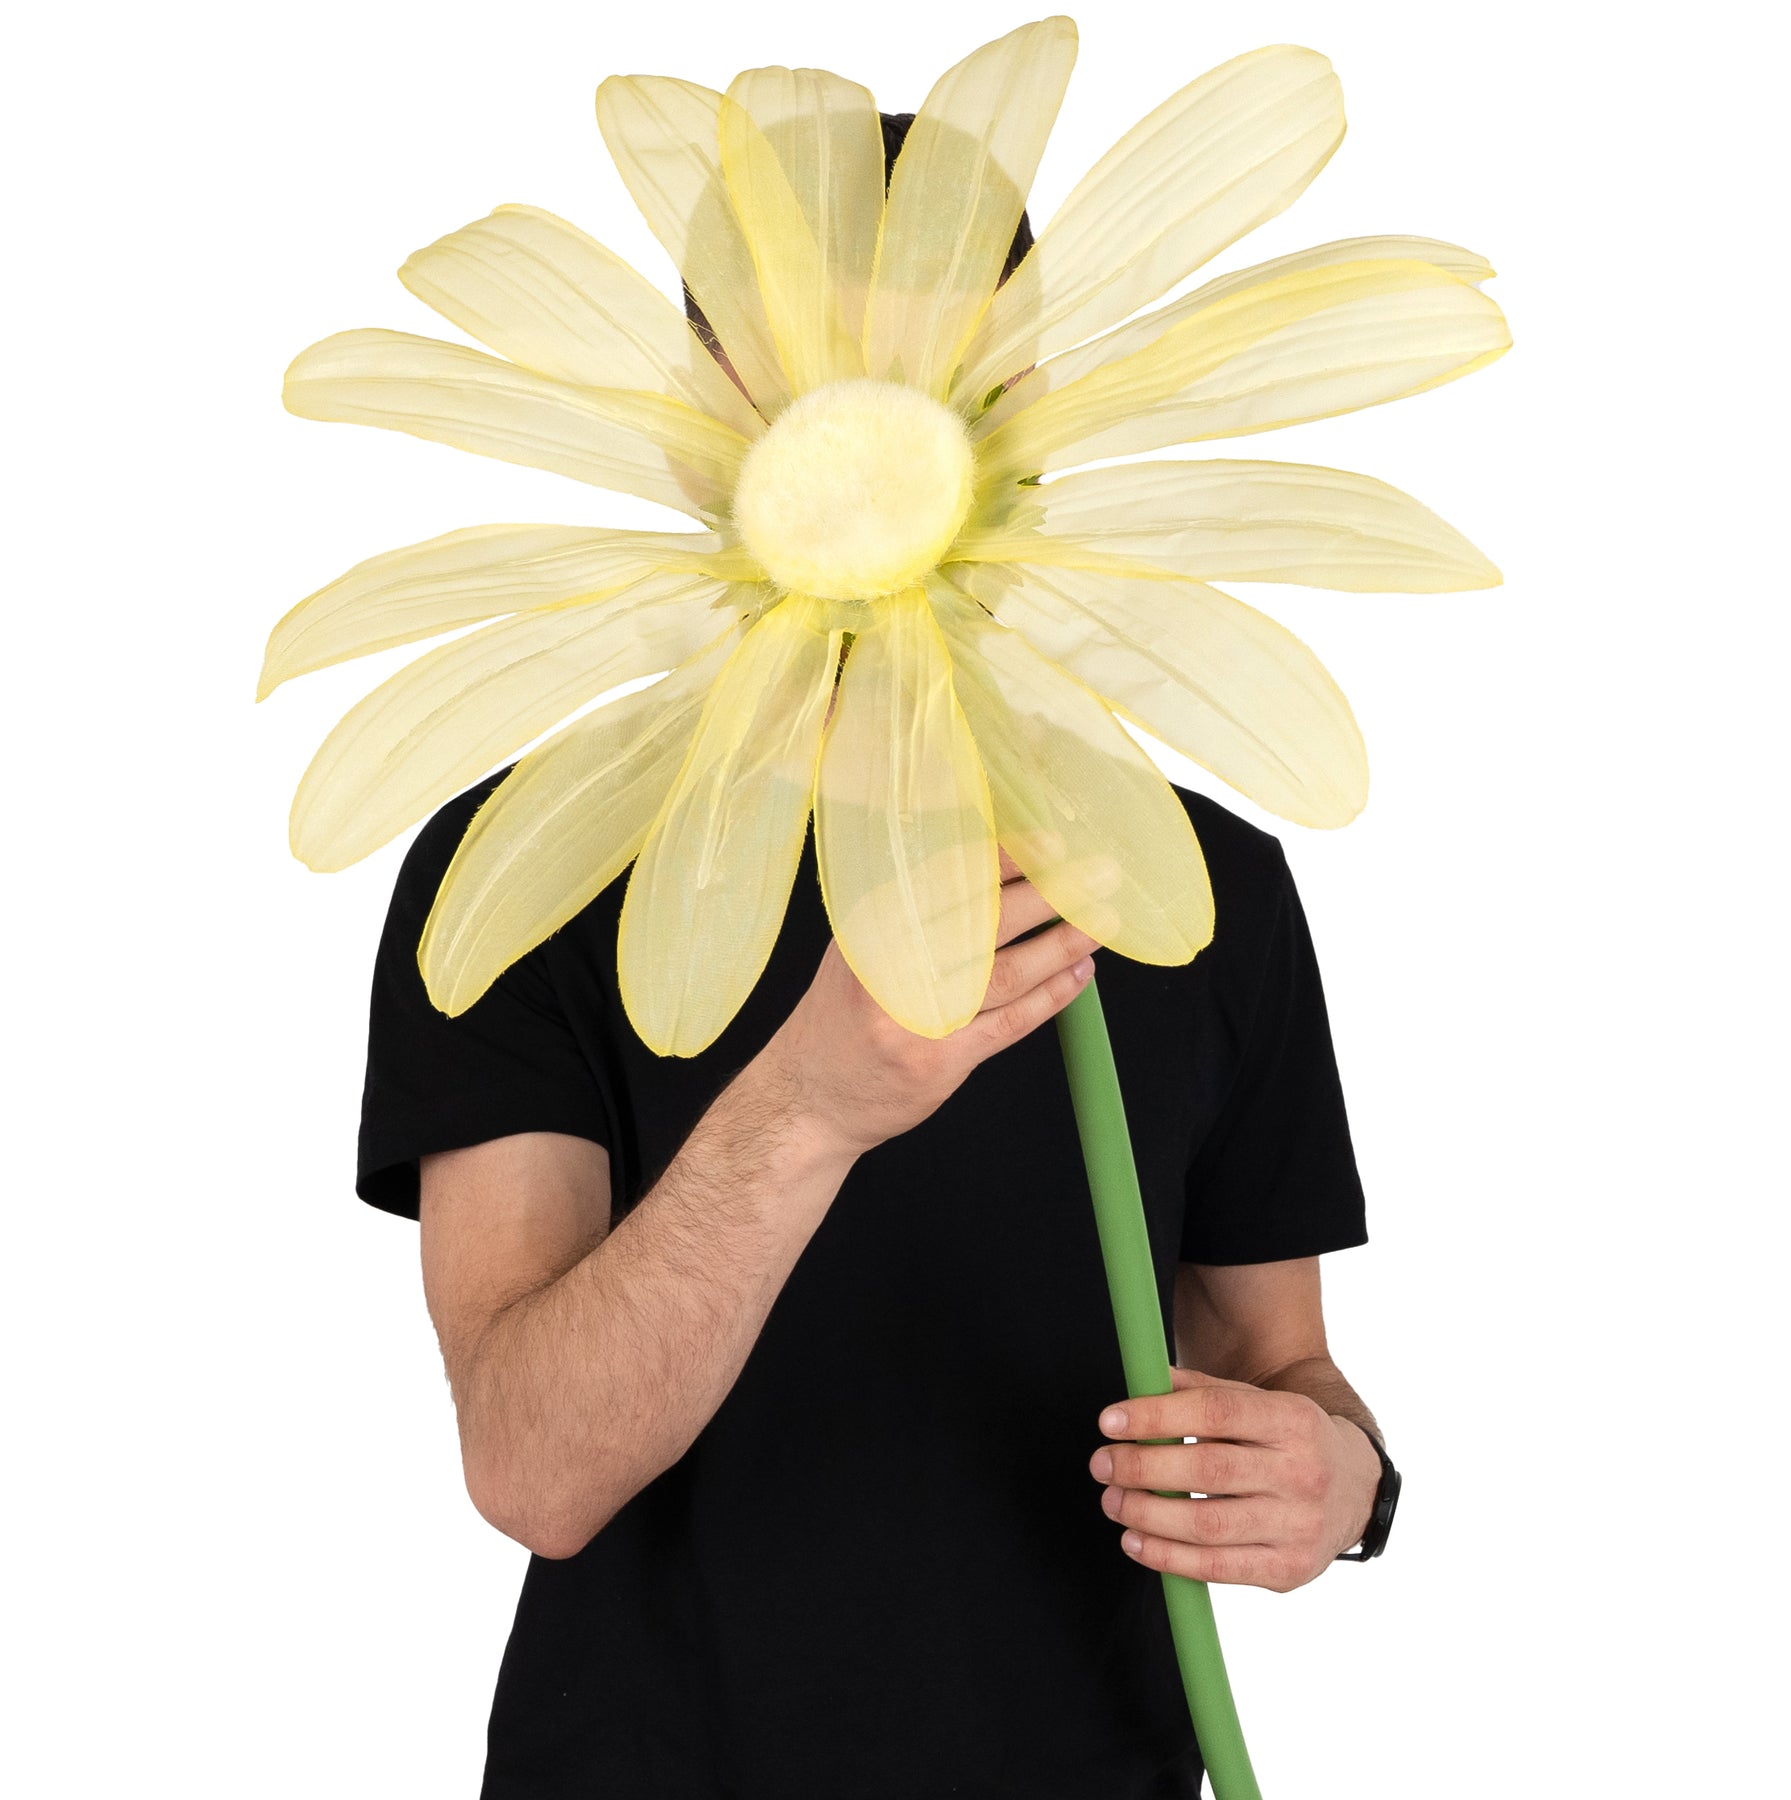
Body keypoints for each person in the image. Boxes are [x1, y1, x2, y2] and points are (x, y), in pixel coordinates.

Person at [355, 112, 1392, 1800]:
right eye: (803, 384)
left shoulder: (1195, 883)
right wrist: (809, 1108)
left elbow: (1279, 1367)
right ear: (695, 423)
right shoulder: (522, 868)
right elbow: (533, 1468)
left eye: (946, 379)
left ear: (1035, 406)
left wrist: (1341, 1485)